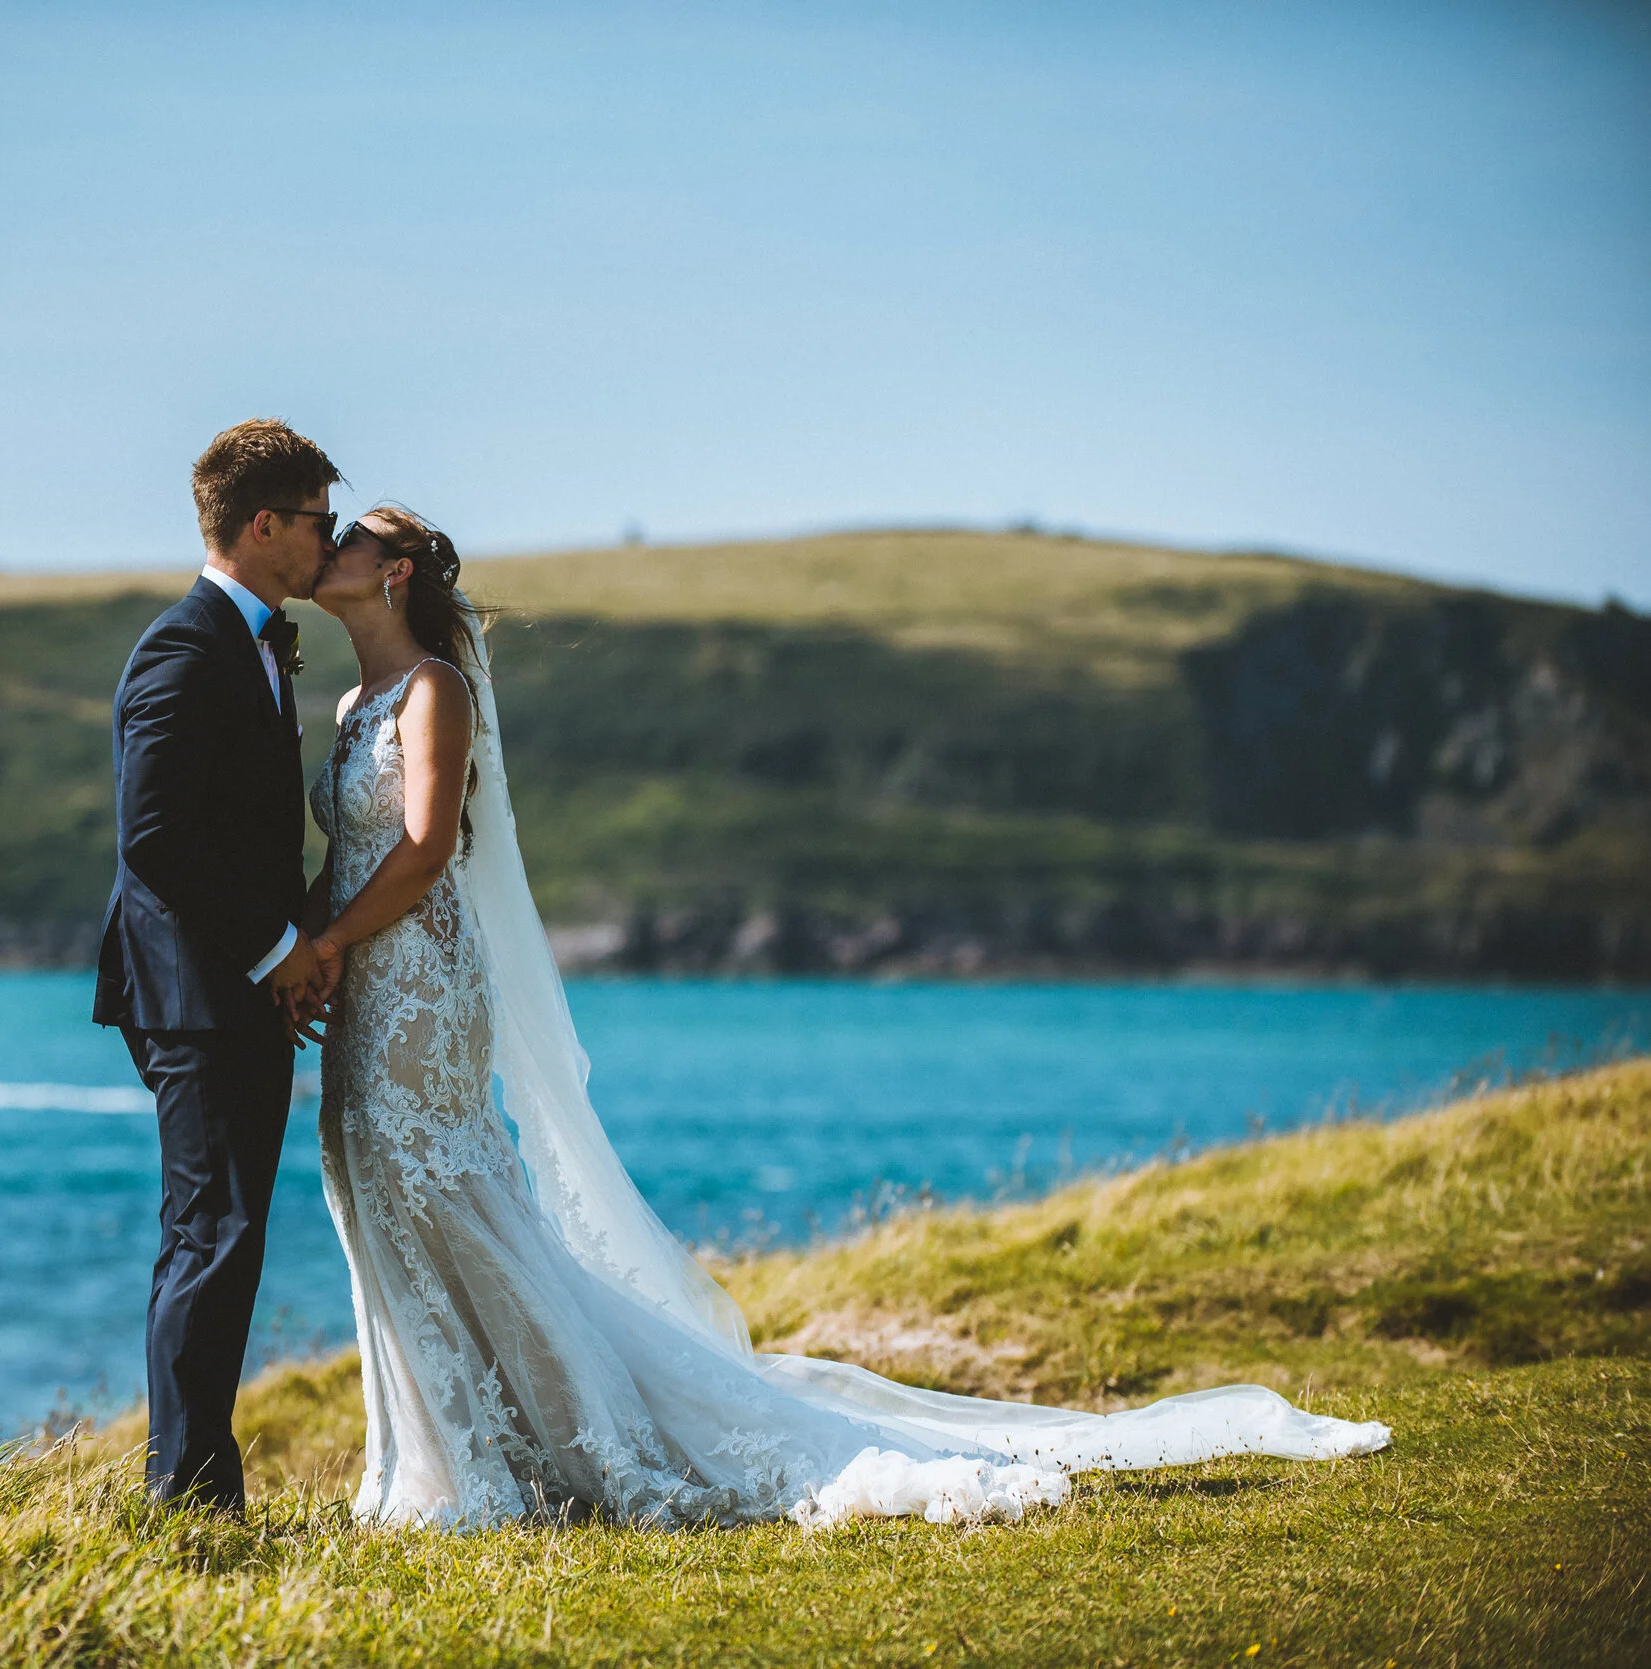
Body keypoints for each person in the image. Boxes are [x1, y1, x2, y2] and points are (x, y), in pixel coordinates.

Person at [290, 504, 1391, 1529]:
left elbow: (428, 846)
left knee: (452, 1193)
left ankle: (581, 1443)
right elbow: (347, 854)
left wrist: (333, 942)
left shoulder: (435, 688)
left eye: (351, 536)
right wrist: (314, 945)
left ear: (392, 574)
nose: (327, 544)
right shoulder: (348, 709)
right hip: (362, 979)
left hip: (424, 986)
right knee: (375, 1186)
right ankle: (447, 1454)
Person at [93, 418, 341, 1511]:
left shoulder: (257, 638)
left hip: (231, 989)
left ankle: (196, 1486)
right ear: (263, 524)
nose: (328, 541)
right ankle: (188, 1500)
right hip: (195, 992)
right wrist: (278, 949)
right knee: (212, 1234)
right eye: (318, 522)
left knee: (223, 1233)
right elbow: (153, 836)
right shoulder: (183, 646)